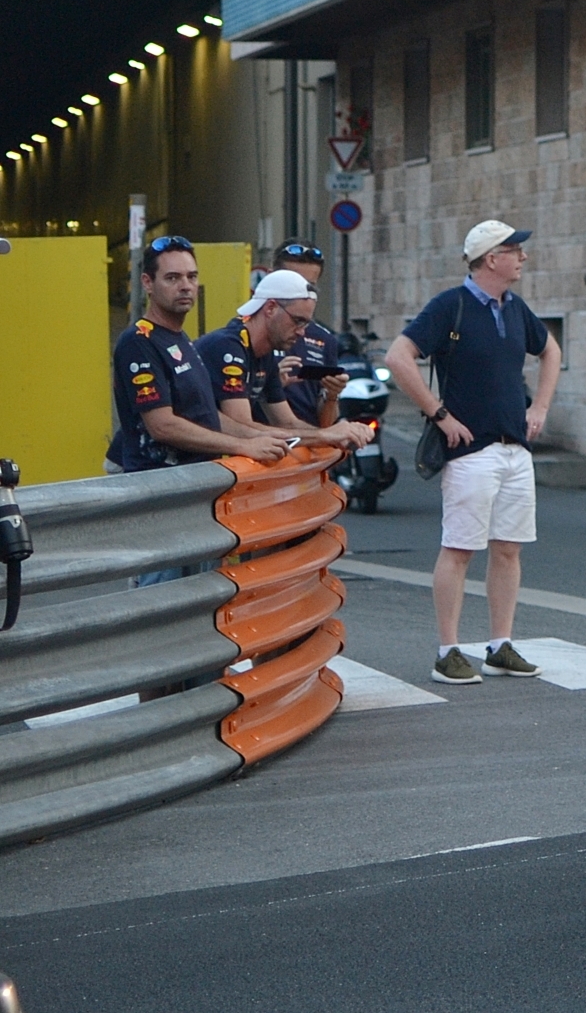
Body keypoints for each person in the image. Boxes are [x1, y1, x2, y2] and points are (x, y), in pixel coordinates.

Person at [385, 219, 563, 685]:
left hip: (513, 448)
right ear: (491, 259)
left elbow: (551, 351)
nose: (522, 257)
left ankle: (500, 645)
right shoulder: (450, 307)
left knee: (509, 550)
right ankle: (448, 651)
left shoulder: (515, 307)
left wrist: (539, 407)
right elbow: (398, 357)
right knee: (459, 549)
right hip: (469, 451)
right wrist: (438, 414)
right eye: (514, 250)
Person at [109, 238, 289, 585]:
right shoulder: (138, 342)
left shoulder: (181, 340)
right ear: (147, 283)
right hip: (160, 499)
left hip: (196, 495)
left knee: (198, 604)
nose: (186, 286)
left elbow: (207, 417)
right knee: (161, 608)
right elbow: (162, 426)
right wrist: (244, 446)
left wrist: (262, 435)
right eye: (173, 278)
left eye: (191, 277)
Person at [198, 273, 371, 451]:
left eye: (306, 324)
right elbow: (242, 428)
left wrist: (337, 436)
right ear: (270, 308)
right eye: (298, 321)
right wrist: (324, 435)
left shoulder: (265, 354)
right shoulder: (228, 345)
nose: (302, 332)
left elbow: (287, 423)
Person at [268, 241, 349, 429]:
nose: (300, 294)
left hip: (308, 450)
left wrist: (331, 395)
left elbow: (325, 423)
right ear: (270, 278)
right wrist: (268, 384)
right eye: (292, 284)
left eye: (309, 287)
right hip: (261, 448)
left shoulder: (324, 339)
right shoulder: (246, 334)